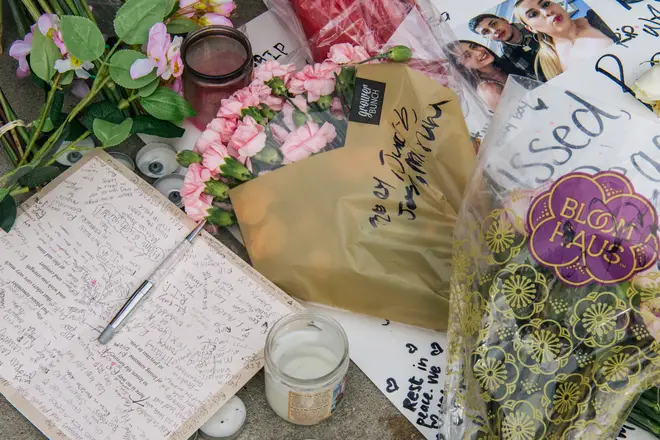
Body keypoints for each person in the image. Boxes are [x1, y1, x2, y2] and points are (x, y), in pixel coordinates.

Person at [514, 0, 618, 80]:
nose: (547, 12)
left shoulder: (599, 17)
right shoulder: (546, 63)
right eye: (533, 14)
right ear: (531, 28)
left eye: (546, 4)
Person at [447, 40, 525, 111]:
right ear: (461, 68)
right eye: (467, 56)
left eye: (474, 46)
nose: (478, 52)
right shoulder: (488, 89)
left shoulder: (502, 64)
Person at [469, 13, 545, 82]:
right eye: (486, 32)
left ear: (504, 20)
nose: (494, 30)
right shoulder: (507, 58)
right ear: (486, 38)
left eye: (494, 24)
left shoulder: (535, 26)